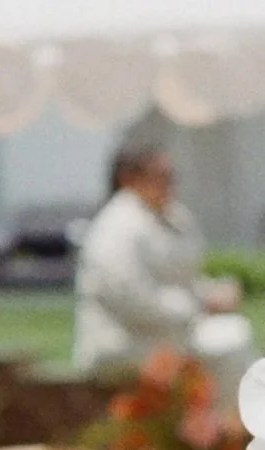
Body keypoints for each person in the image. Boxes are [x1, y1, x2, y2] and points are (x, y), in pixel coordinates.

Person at [73, 146, 247, 381]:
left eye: (172, 176)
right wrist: (201, 304)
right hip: (124, 342)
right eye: (161, 176)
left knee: (234, 330)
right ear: (128, 178)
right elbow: (133, 299)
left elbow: (182, 278)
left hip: (165, 334)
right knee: (231, 344)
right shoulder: (116, 227)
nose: (170, 184)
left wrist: (212, 291)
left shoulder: (173, 216)